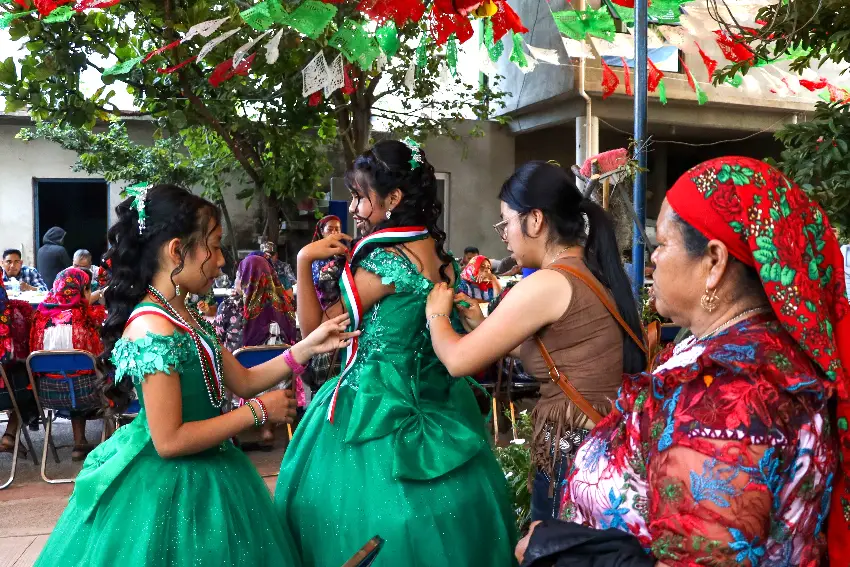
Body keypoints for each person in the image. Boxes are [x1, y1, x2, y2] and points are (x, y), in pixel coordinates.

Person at [516, 157, 850, 566]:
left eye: (663, 243)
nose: (653, 258)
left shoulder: (732, 398)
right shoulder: (733, 350)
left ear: (714, 261)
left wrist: (556, 549)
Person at [34, 184, 357, 567]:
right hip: (169, 489)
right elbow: (169, 440)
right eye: (215, 246)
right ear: (176, 251)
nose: (221, 261)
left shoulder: (182, 314)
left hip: (212, 470)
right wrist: (256, 414)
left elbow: (244, 380)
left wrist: (308, 346)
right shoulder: (153, 327)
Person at [276, 139, 516, 566]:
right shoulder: (443, 259)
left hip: (374, 402)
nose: (352, 208)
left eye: (359, 197)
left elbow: (314, 331)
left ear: (393, 199)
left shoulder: (385, 261)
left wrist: (302, 262)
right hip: (438, 396)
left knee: (354, 522)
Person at [426, 161, 645, 522]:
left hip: (572, 455)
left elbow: (457, 360)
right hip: (590, 449)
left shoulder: (547, 283)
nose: (505, 235)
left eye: (506, 222)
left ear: (536, 220)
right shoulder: (584, 271)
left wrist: (436, 313)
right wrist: (483, 324)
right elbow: (557, 355)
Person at [215, 255, 299, 447]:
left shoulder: (230, 305)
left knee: (224, 359)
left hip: (239, 379)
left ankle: (231, 428)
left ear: (244, 278)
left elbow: (217, 339)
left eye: (238, 276)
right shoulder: (285, 307)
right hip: (278, 379)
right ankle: (267, 429)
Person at [30, 268, 107, 461]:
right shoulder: (89, 318)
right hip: (90, 393)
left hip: (49, 394)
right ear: (83, 291)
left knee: (71, 375)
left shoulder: (40, 318)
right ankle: (112, 439)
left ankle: (79, 443)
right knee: (103, 374)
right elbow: (101, 356)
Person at [0, 285, 35, 454]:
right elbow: (23, 350)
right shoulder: (12, 314)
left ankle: (10, 436)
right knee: (31, 382)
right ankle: (10, 434)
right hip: (5, 394)